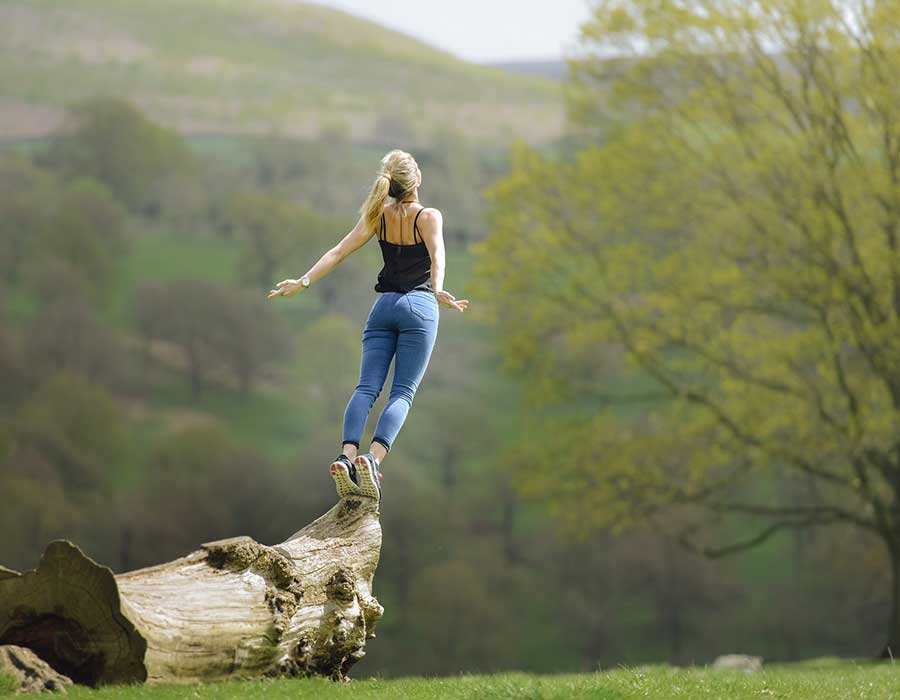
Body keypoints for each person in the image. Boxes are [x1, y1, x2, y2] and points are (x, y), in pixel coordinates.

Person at [267, 149, 468, 502]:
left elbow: (338, 252)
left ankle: (345, 456)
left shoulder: (379, 216)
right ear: (416, 179)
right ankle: (371, 461)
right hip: (418, 307)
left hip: (383, 308)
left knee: (366, 388)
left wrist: (303, 282)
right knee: (402, 392)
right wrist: (437, 290)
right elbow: (438, 254)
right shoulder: (429, 216)